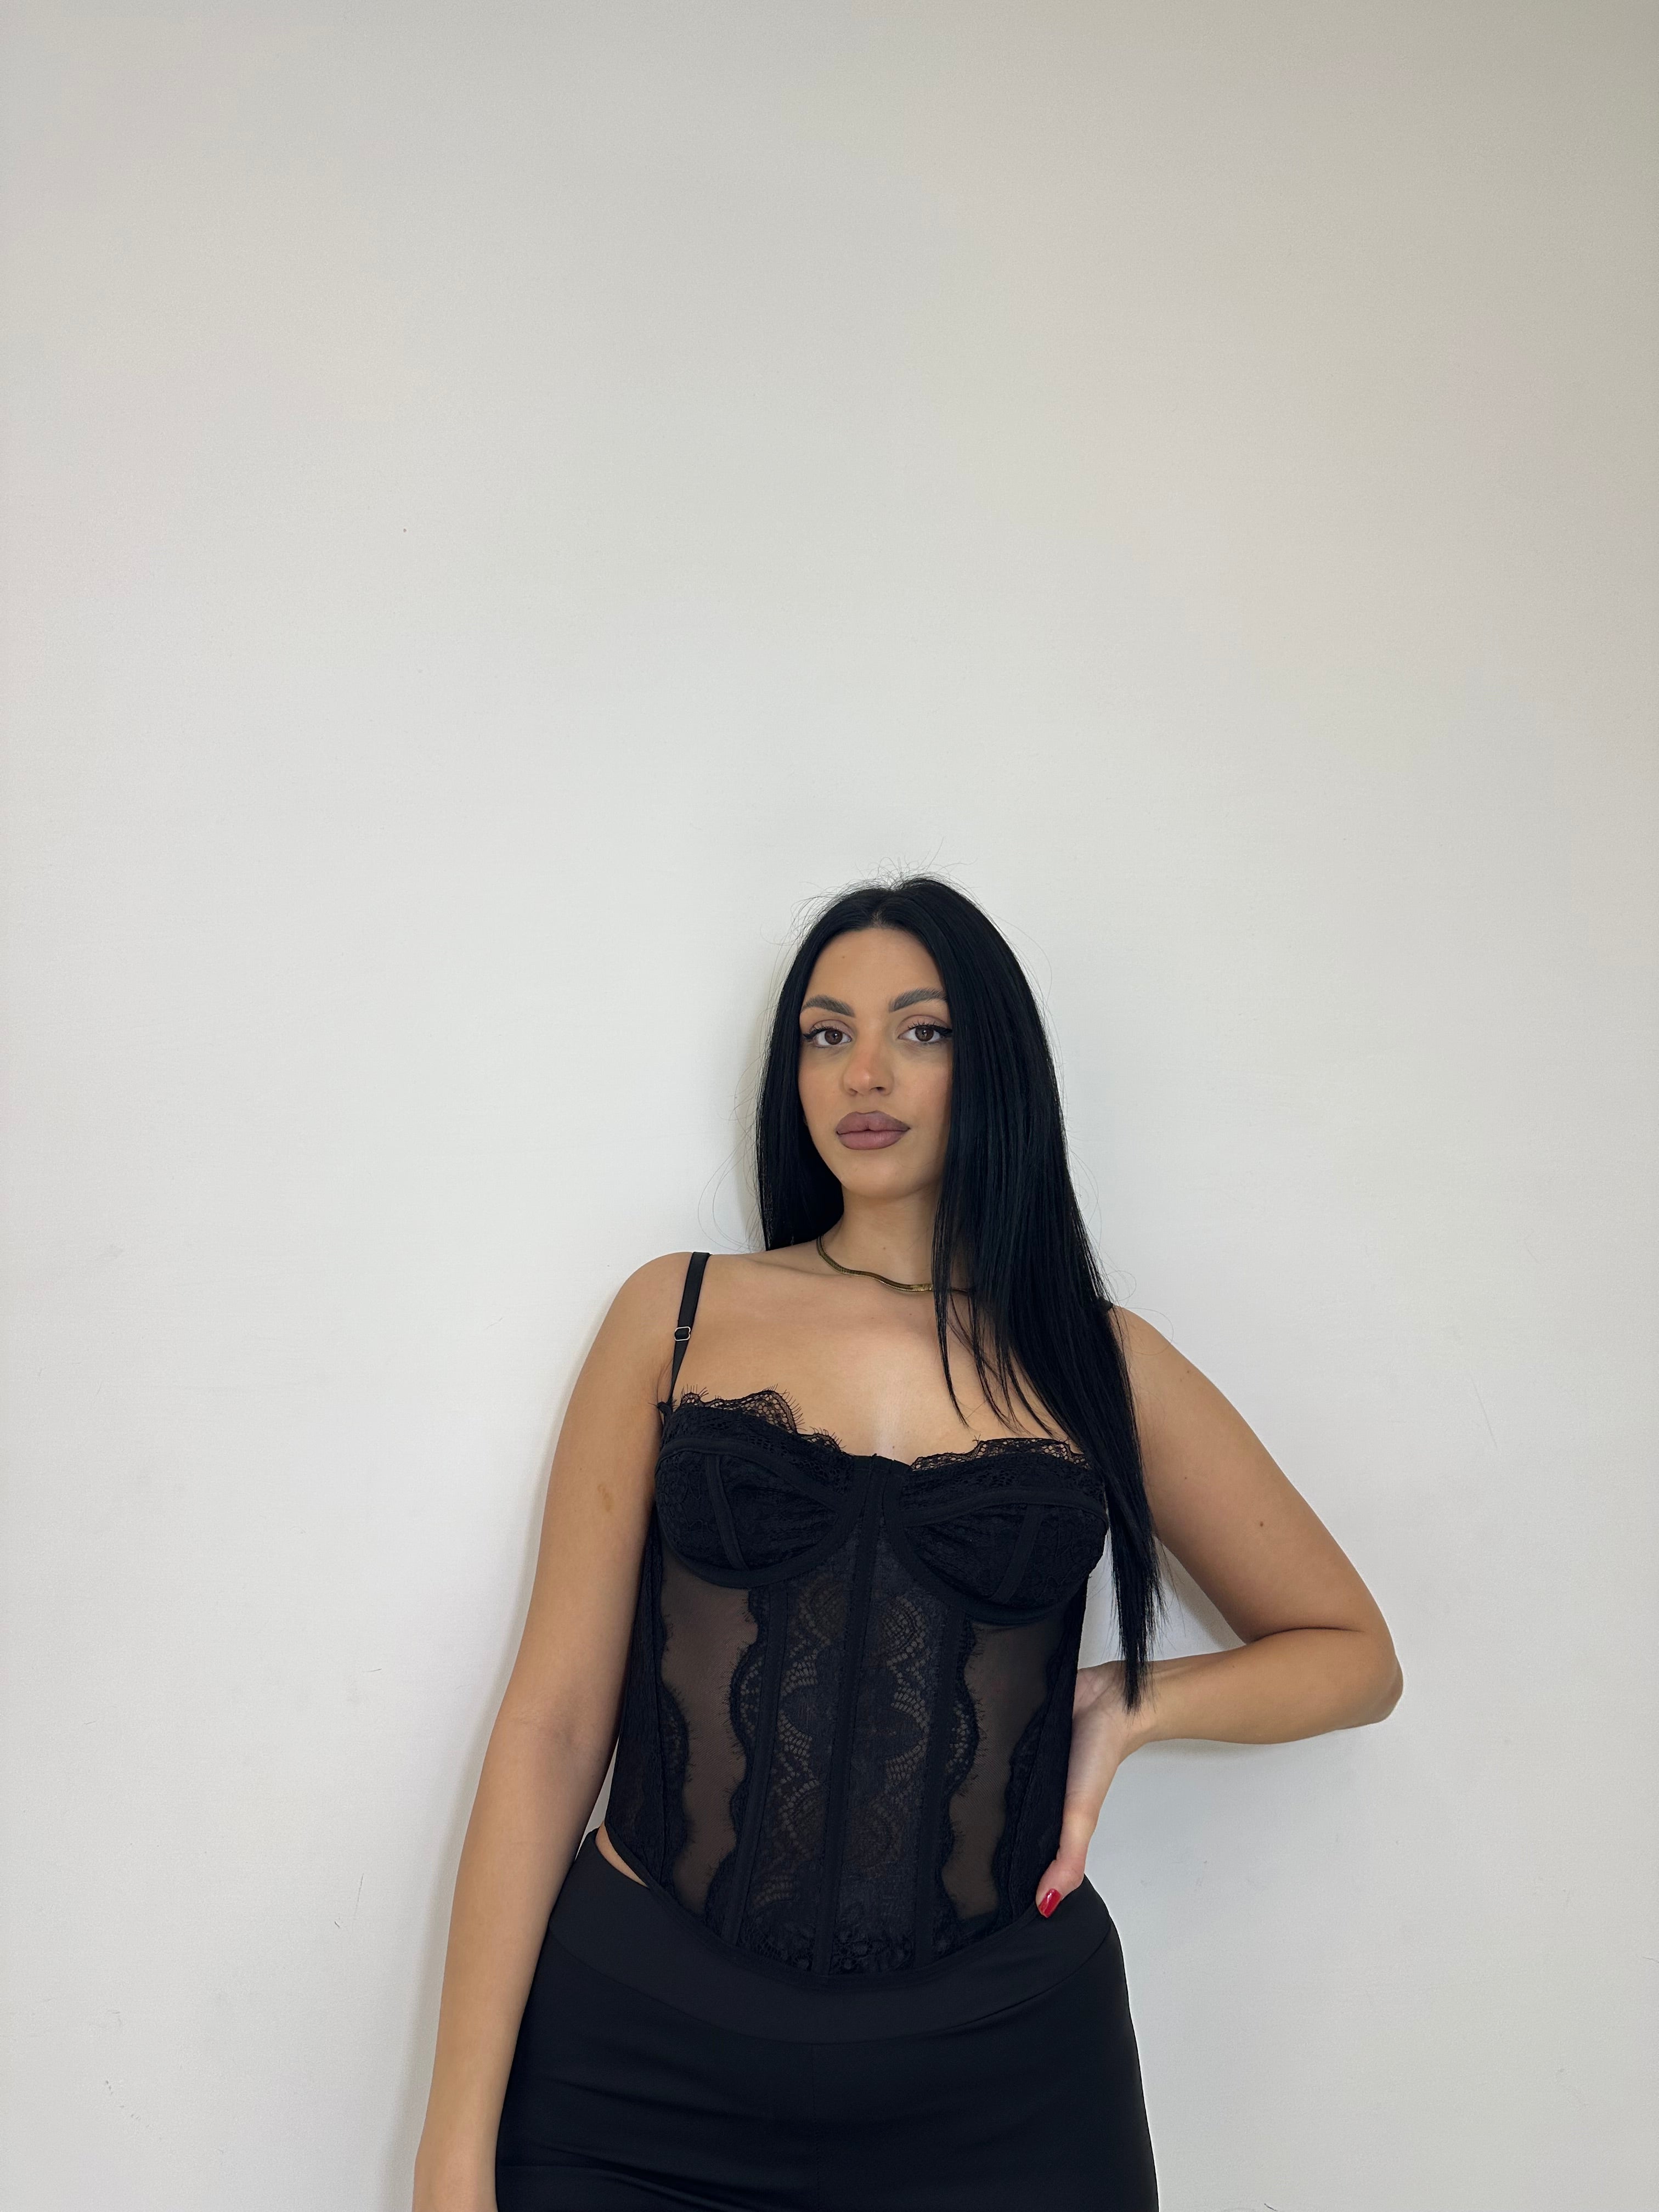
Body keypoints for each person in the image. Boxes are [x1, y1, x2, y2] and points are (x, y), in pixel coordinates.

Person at [411, 875, 1402, 2212]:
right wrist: (453, 2149)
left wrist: (1129, 1706)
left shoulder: (1096, 1363)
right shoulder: (676, 1316)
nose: (864, 1073)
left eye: (919, 1031)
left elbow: (1355, 1656)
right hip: (638, 2062)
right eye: (827, 1034)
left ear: (992, 1066)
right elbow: (553, 1725)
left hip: (1005, 2082)